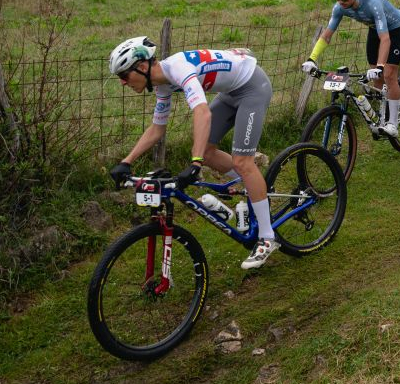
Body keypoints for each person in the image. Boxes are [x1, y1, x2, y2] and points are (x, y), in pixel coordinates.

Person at [107, 37, 278, 270]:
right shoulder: (162, 84)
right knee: (208, 152)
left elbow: (202, 112)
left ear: (143, 67)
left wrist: (194, 163)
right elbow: (158, 128)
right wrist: (126, 162)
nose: (123, 83)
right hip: (229, 92)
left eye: (124, 76)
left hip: (252, 87)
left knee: (242, 161)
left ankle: (267, 238)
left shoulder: (178, 69)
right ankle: (253, 190)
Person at [302, 0, 400, 137]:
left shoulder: (372, 2)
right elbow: (327, 35)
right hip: (375, 30)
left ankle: (393, 123)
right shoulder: (339, 8)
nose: (340, 2)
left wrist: (380, 66)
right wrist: (311, 59)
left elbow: (385, 39)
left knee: (388, 74)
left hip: (394, 30)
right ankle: (383, 114)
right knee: (376, 79)